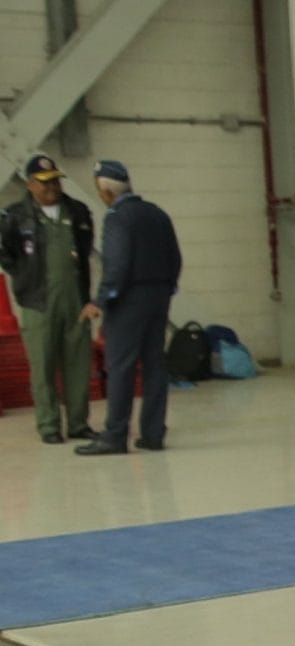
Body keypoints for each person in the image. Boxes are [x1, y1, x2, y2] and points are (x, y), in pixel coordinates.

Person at [78, 159, 182, 456]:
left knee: (121, 367)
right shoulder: (157, 214)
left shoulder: (117, 218)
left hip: (128, 300)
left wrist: (101, 300)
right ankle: (152, 434)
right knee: (154, 366)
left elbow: (118, 263)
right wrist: (166, 289)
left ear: (105, 191)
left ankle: (115, 435)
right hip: (159, 297)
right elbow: (175, 257)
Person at [0, 154, 96, 446]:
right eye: (44, 182)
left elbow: (86, 247)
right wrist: (24, 276)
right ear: (30, 185)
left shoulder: (77, 211)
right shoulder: (16, 216)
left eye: (55, 180)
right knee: (42, 367)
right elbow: (6, 253)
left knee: (78, 366)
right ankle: (49, 425)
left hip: (75, 300)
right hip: (37, 303)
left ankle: (79, 424)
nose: (52, 186)